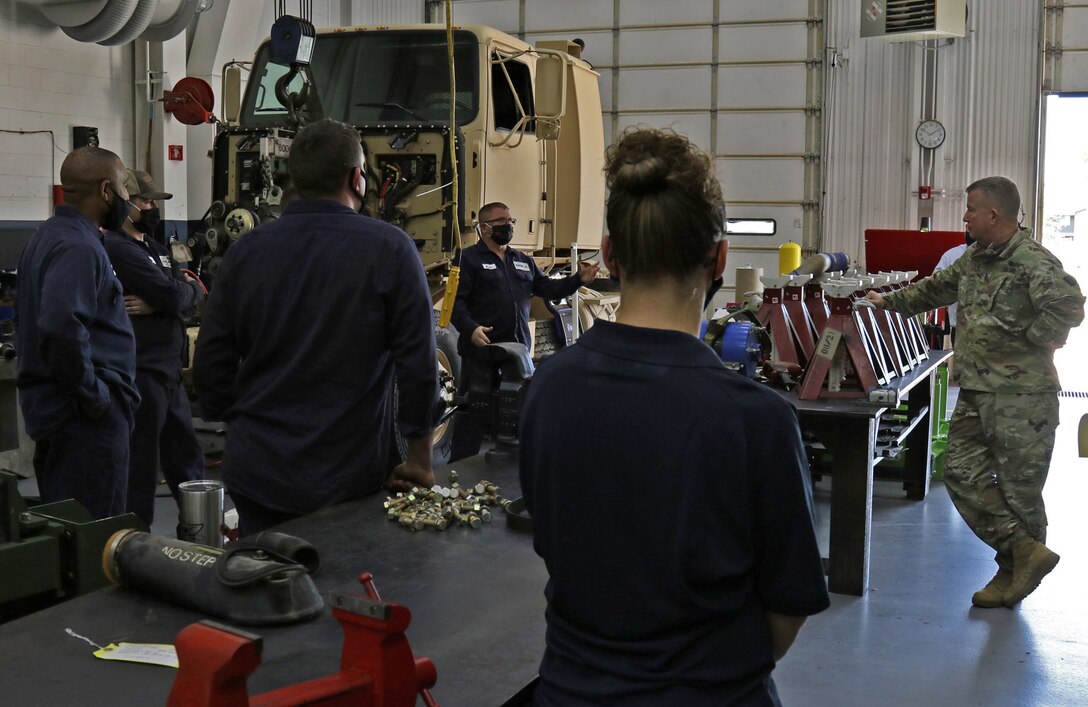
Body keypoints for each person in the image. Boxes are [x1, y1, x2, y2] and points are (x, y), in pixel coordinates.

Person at [519, 128, 830, 705]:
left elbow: (553, 544)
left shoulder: (548, 390)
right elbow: (786, 610)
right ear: (720, 258)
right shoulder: (756, 419)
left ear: (609, 254)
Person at [193, 118, 438, 536]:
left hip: (258, 471)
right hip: (346, 473)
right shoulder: (391, 249)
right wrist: (419, 459)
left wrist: (243, 419)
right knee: (346, 593)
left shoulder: (246, 251)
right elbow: (418, 364)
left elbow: (210, 366)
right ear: (357, 178)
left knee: (263, 582)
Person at [866, 176, 1084, 608]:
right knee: (961, 475)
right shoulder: (977, 258)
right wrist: (883, 302)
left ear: (993, 215)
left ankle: (1013, 576)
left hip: (1022, 397)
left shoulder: (1032, 260)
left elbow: (1069, 306)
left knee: (1020, 492)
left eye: (970, 209)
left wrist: (1038, 336)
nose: (964, 216)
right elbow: (934, 289)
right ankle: (1024, 553)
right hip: (978, 389)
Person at [15, 146, 140, 520]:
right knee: (94, 536)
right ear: (105, 191)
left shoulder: (49, 236)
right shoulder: (78, 247)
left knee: (69, 529)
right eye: (123, 188)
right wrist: (94, 395)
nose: (127, 199)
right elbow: (59, 327)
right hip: (84, 424)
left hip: (66, 416)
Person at [449, 201, 598, 460]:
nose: (508, 226)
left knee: (514, 414)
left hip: (515, 355)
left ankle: (508, 472)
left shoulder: (522, 261)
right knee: (475, 411)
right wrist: (471, 329)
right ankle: (459, 469)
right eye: (502, 222)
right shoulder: (468, 259)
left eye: (511, 221)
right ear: (484, 228)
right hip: (482, 352)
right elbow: (455, 303)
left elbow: (548, 289)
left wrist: (577, 280)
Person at [102, 169, 206, 527]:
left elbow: (189, 291)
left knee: (187, 460)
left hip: (170, 373)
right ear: (126, 203)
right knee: (141, 466)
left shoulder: (156, 249)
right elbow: (173, 293)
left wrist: (163, 302)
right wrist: (171, 298)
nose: (151, 208)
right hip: (143, 373)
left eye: (154, 202)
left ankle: (200, 533)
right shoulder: (117, 248)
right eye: (145, 201)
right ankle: (136, 544)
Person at [932, 232, 974, 346]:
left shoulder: (1000, 255)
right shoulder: (952, 255)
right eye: (967, 226)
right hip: (960, 326)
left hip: (992, 330)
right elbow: (935, 283)